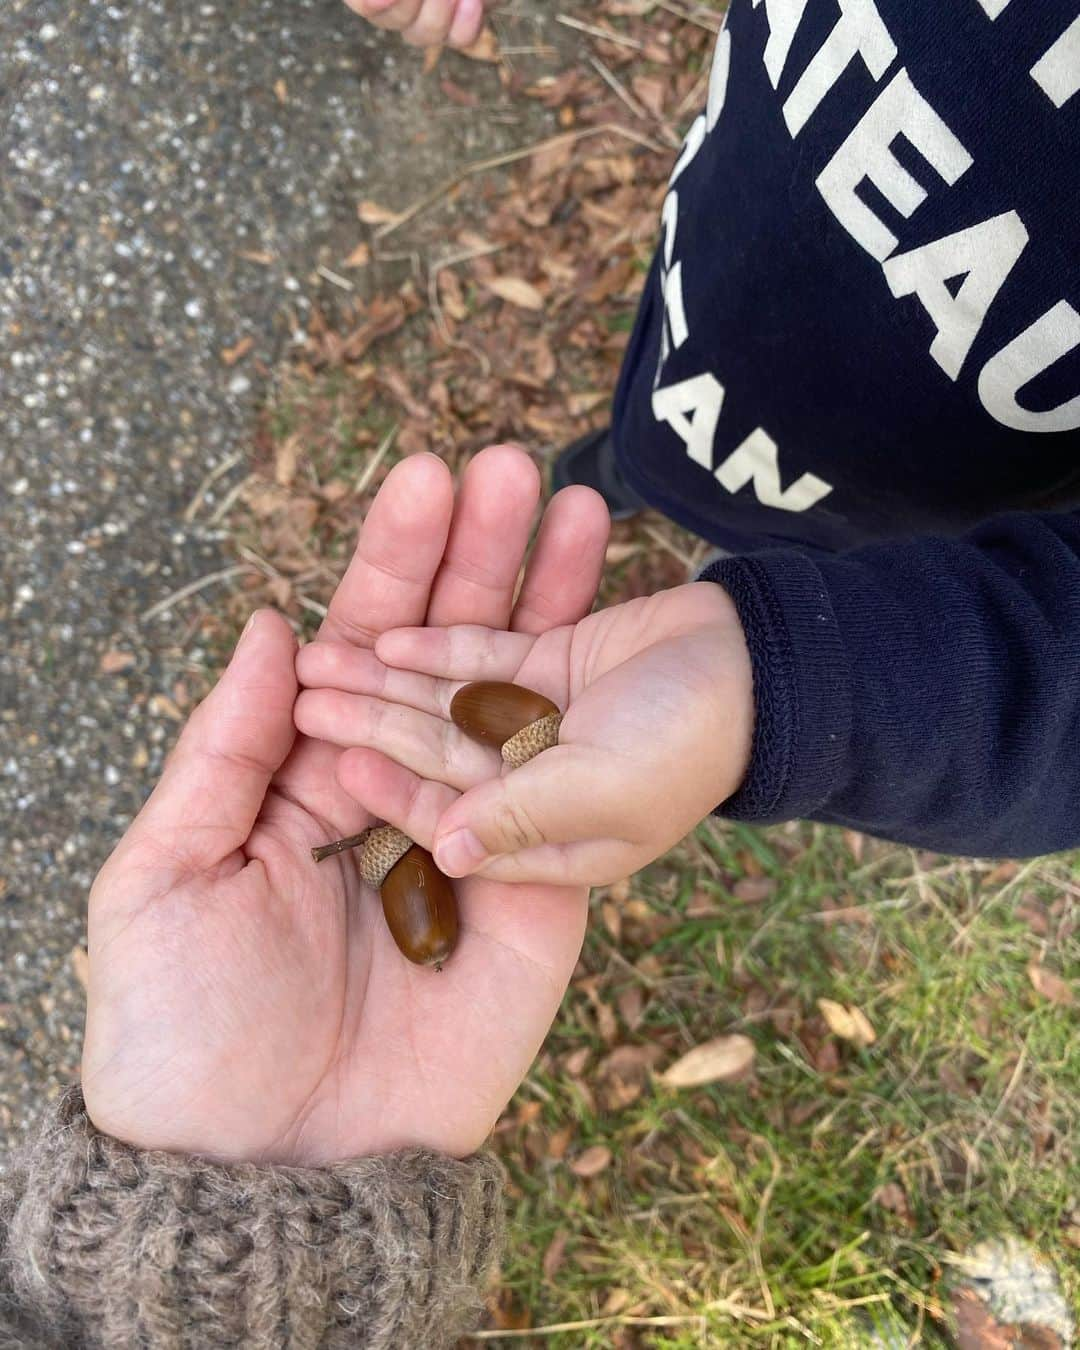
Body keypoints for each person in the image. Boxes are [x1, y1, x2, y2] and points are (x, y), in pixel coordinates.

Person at [4, 2, 1077, 1344]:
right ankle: (636, 470)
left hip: (957, 498)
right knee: (638, 460)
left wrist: (791, 683)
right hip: (728, 305)